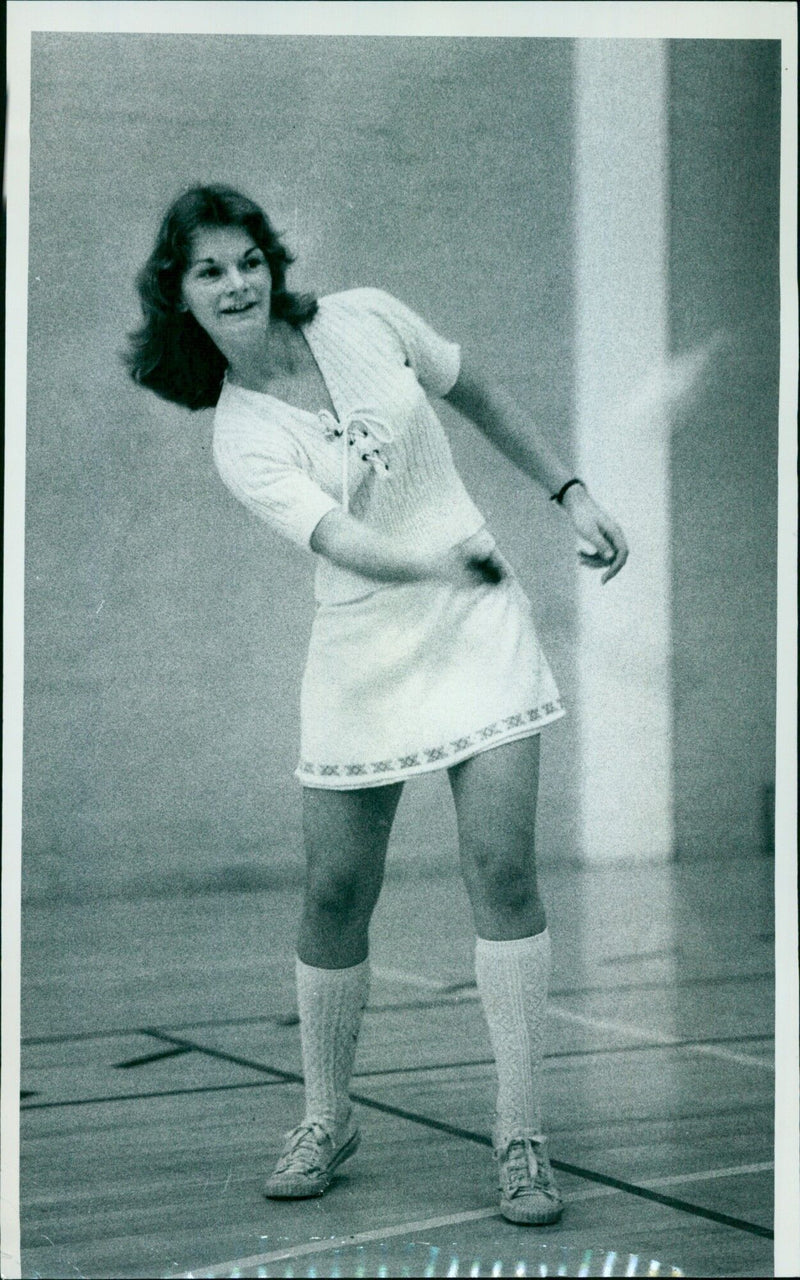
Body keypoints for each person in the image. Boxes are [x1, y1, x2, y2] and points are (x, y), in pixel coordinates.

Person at [127, 184, 628, 1226]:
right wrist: (432, 563)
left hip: (477, 624)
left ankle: (522, 1131)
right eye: (208, 270)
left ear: (272, 261)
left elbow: (477, 391)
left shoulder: (367, 315)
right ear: (177, 295)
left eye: (247, 258)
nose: (237, 282)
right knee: (332, 895)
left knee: (500, 870)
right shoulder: (240, 435)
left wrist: (568, 490)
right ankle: (325, 1113)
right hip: (367, 643)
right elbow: (342, 541)